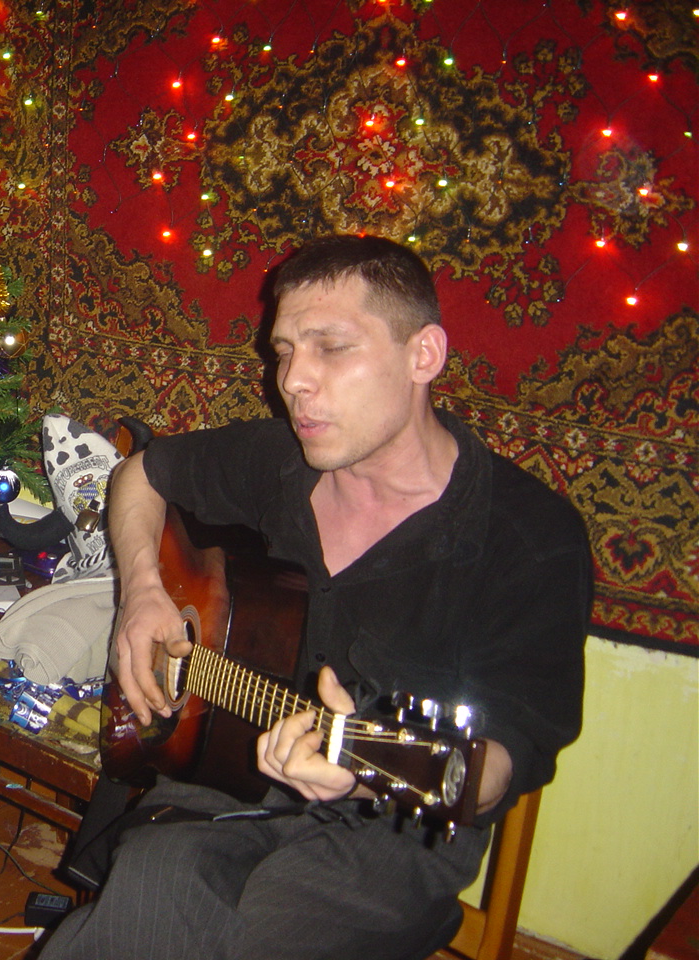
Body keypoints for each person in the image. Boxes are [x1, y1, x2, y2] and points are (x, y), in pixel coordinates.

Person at [40, 235, 590, 960]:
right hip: (228, 776)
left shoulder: (530, 538)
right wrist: (142, 592)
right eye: (285, 351)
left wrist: (362, 770)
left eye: (330, 347)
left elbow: (499, 762)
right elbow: (140, 473)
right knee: (142, 897)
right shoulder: (275, 461)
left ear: (424, 356)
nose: (293, 380)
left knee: (261, 942)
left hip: (392, 834)